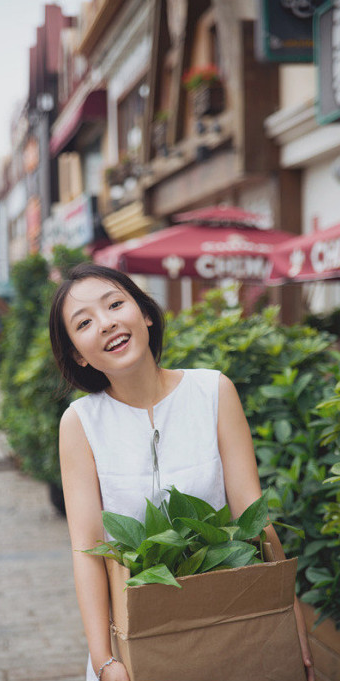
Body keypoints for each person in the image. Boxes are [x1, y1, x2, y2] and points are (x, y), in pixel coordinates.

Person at [48, 263, 313, 681]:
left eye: (115, 304)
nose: (106, 323)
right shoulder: (80, 422)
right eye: (84, 323)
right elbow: (87, 551)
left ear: (146, 313)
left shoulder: (212, 392)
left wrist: (289, 616)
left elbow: (254, 521)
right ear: (79, 353)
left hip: (228, 627)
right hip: (135, 643)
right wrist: (104, 661)